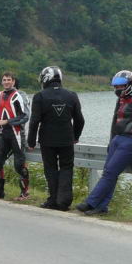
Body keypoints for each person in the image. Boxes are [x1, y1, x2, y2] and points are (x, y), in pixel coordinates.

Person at [75, 70, 132, 216]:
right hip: (118, 139)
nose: (118, 89)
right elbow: (115, 122)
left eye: (121, 86)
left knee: (110, 172)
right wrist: (111, 141)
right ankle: (102, 207)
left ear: (130, 85)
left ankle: (90, 203)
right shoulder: (121, 100)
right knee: (109, 173)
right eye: (115, 86)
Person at [26, 66, 85, 211]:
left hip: (47, 139)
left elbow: (34, 121)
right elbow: (80, 120)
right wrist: (75, 136)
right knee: (66, 168)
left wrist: (31, 141)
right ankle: (64, 202)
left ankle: (53, 200)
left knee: (50, 169)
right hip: (66, 139)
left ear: (45, 78)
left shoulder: (40, 96)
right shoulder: (71, 95)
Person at [0, 72, 30, 201]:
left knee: (19, 165)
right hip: (3, 134)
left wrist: (6, 121)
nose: (6, 82)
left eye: (9, 80)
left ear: (13, 81)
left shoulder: (19, 96)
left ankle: (24, 193)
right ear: (2, 82)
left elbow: (25, 117)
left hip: (17, 134)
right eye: (4, 80)